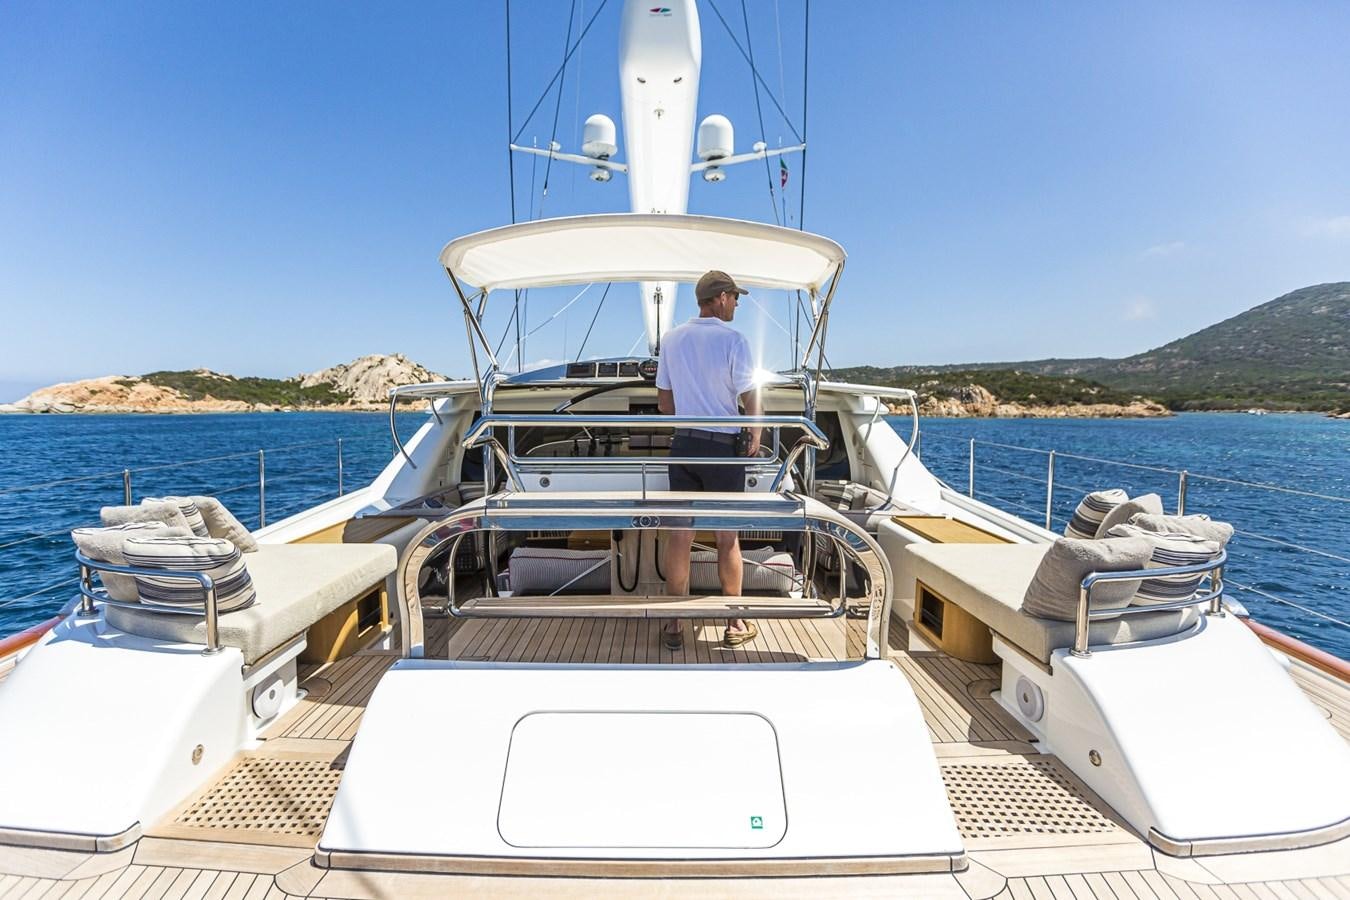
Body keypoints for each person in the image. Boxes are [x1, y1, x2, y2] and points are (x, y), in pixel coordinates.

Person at [655, 270, 762, 651]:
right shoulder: (734, 340)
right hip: (722, 451)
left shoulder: (671, 339)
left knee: (680, 537)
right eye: (735, 297)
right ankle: (734, 622)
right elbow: (750, 396)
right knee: (726, 537)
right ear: (720, 298)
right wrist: (756, 433)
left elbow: (664, 404)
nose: (736, 304)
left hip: (683, 446)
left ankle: (674, 622)